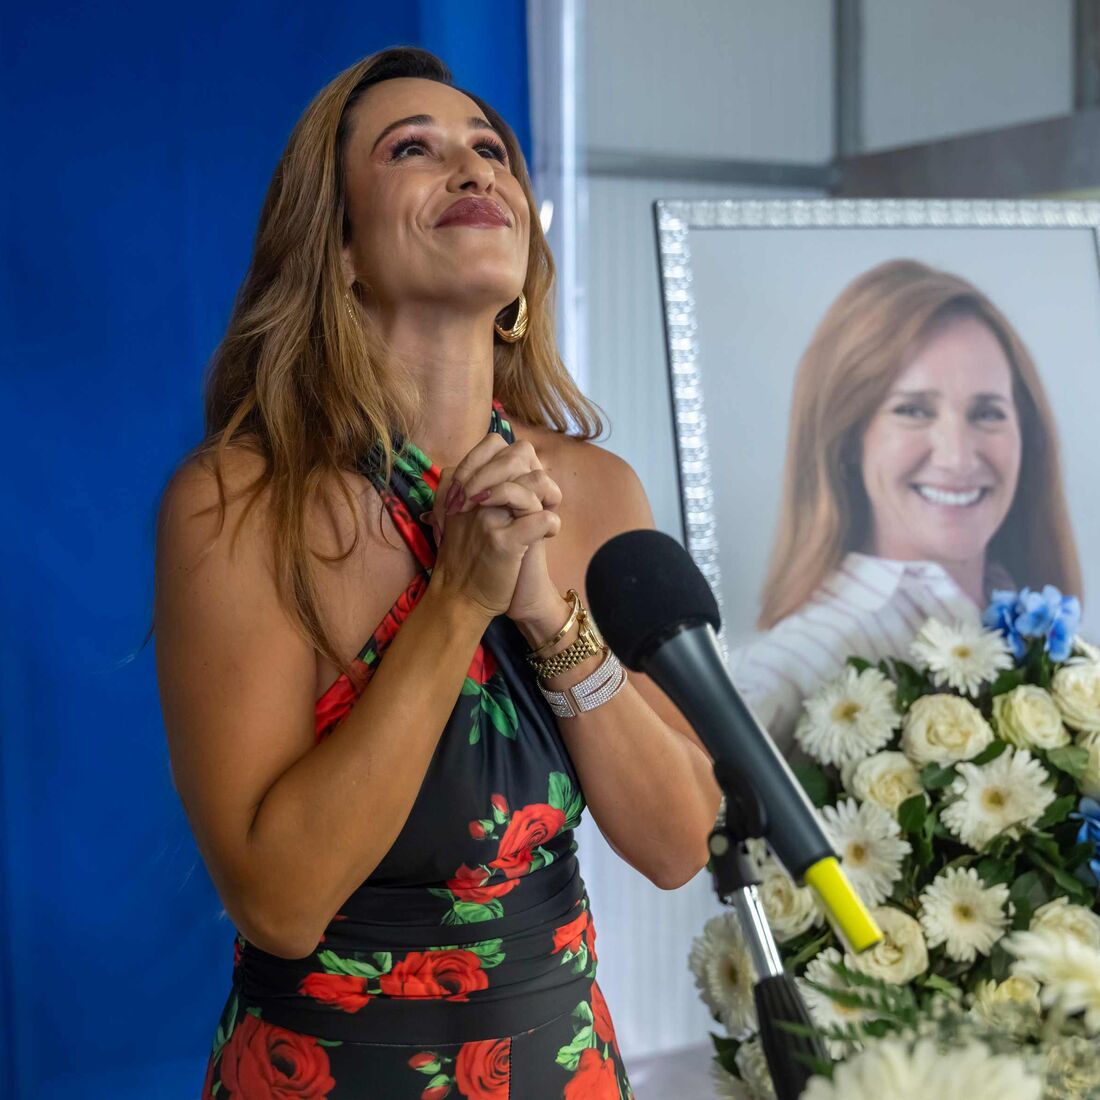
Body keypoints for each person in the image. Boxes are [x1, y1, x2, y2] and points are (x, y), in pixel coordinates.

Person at [154, 47, 719, 1099]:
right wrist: (458, 596)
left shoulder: (594, 489)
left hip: (564, 1070)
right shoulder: (238, 502)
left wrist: (545, 610)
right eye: (412, 149)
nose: (474, 170)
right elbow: (279, 903)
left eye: (491, 151)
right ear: (339, 246)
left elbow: (680, 841)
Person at [729, 259, 1083, 753]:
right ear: (847, 441)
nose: (958, 457)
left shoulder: (1052, 639)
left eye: (988, 413)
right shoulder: (782, 676)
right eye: (913, 410)